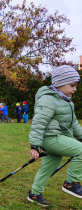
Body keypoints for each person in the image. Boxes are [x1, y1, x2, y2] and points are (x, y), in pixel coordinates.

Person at [28, 65, 82, 206]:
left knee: (48, 167)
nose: (75, 89)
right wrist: (35, 145)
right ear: (59, 83)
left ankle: (34, 193)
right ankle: (71, 183)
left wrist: (81, 136)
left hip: (58, 139)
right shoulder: (48, 100)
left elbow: (74, 123)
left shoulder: (66, 101)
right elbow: (38, 123)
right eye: (72, 85)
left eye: (76, 86)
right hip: (50, 138)